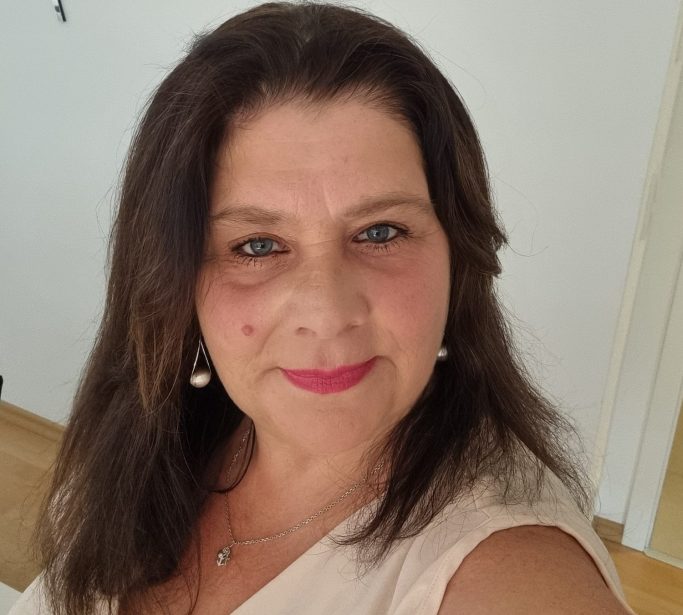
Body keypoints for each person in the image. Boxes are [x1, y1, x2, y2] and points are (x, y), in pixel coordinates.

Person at [11, 2, 635, 614]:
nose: (328, 313)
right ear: (174, 278)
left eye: (381, 232)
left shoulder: (509, 567)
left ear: (458, 255)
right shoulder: (149, 444)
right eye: (257, 246)